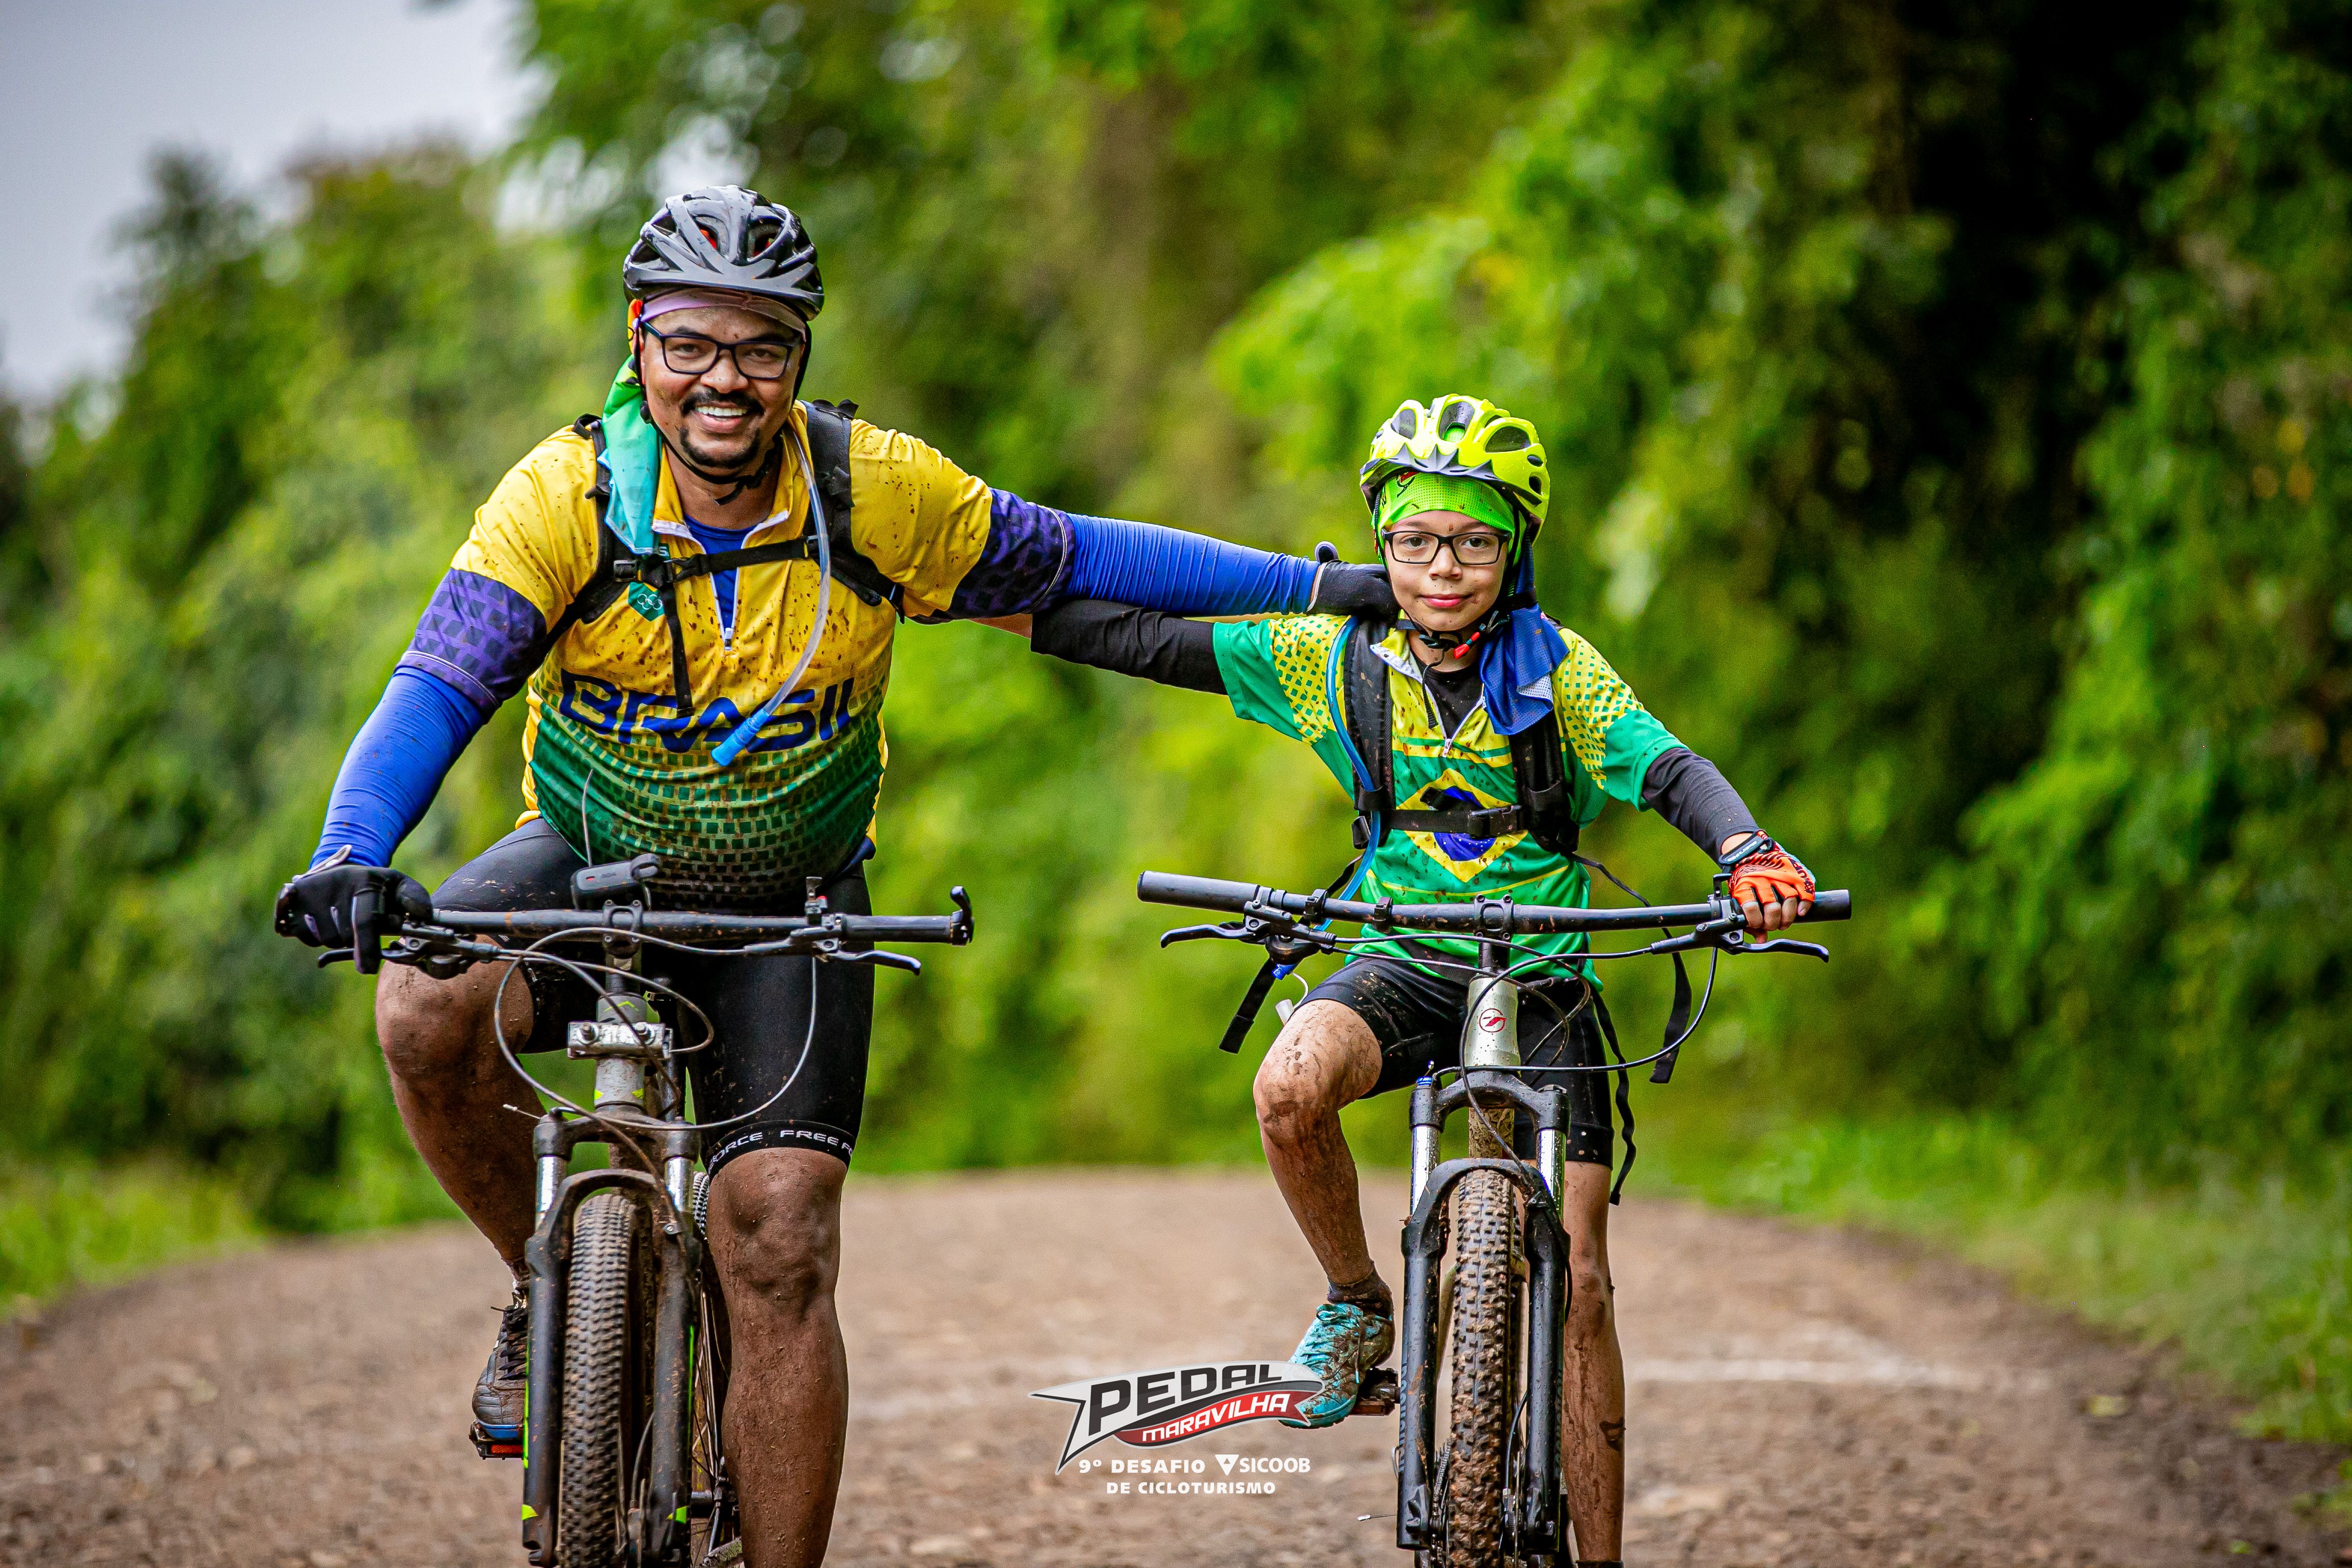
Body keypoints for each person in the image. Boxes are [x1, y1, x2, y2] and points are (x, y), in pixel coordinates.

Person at [270, 186, 1393, 1568]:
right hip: (590, 861)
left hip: (792, 896)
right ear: (638, 341)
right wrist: (351, 853)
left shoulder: (872, 492)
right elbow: (441, 683)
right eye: (692, 342)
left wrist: (1318, 591)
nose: (724, 379)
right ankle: (541, 1281)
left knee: (781, 1240)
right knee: (421, 1008)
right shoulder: (562, 499)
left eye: (762, 347)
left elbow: (1087, 557)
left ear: (799, 358)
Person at [1030, 394, 1815, 1568]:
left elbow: (1669, 769)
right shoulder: (1333, 661)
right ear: (1382, 544)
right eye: (1415, 540)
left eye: (1472, 541)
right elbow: (1147, 641)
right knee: (1289, 1086)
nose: (1442, 567)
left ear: (1515, 549)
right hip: (1403, 954)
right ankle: (1357, 1302)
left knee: (1583, 1275)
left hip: (1544, 976)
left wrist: (1745, 850)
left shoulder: (1562, 674)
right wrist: (987, 594)